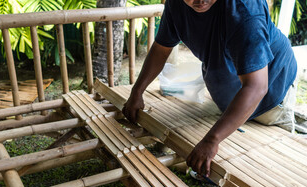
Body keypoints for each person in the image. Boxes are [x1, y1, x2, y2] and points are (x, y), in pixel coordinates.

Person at [122, 0, 297, 177]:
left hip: (273, 90)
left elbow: (257, 87)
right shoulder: (176, 4)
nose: (200, 1)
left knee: (268, 161)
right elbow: (161, 49)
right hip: (233, 91)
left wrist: (211, 140)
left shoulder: (245, 10)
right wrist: (137, 92)